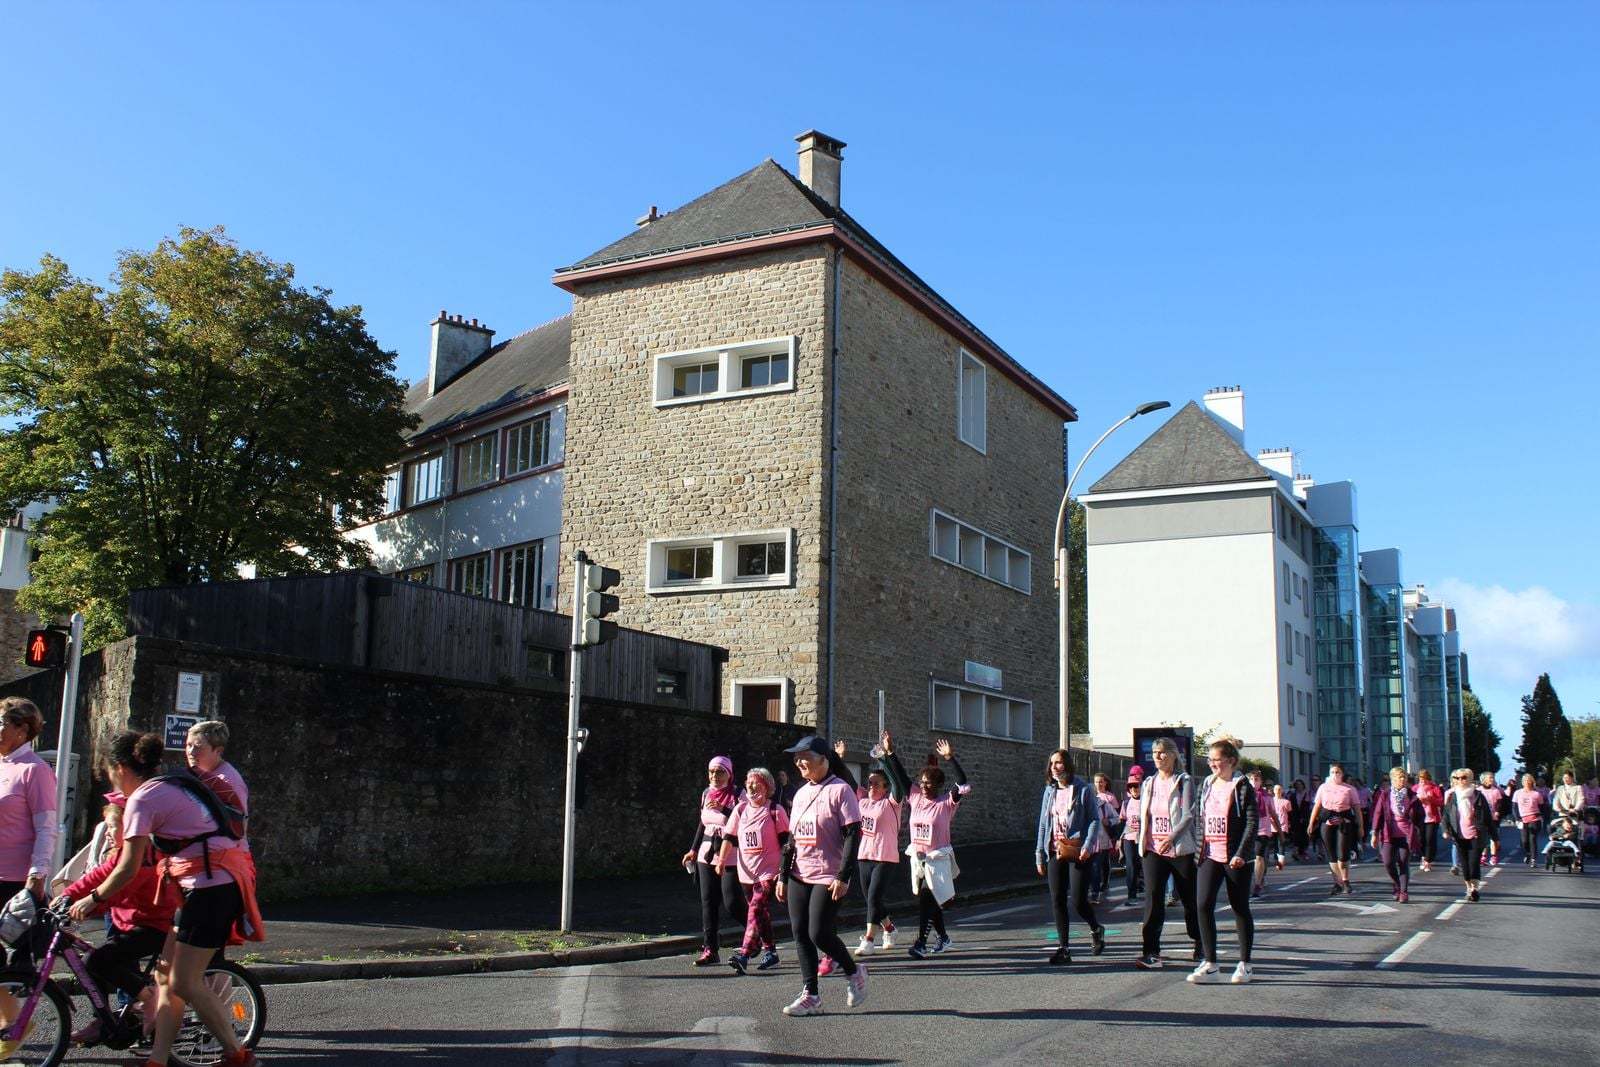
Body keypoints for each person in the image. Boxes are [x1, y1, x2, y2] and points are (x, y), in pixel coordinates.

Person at [71, 731, 260, 1067]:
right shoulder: (167, 784)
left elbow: (127, 867)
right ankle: (158, 1059)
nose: (112, 783)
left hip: (211, 887)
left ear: (119, 768)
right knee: (165, 979)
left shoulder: (142, 799)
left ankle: (238, 1055)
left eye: (110, 774)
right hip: (205, 884)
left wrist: (92, 898)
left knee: (184, 982)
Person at [54, 790, 183, 1043]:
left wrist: (88, 907)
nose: (108, 833)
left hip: (155, 926)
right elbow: (96, 877)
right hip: (130, 923)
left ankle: (148, 999)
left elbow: (118, 892)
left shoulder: (144, 857)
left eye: (113, 827)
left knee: (96, 961)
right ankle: (105, 1021)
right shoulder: (121, 853)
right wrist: (65, 897)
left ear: (131, 827)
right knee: (93, 964)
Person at [777, 736, 866, 1016]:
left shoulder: (841, 790)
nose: (799, 762)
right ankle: (811, 995)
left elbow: (853, 834)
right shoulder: (801, 793)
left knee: (819, 933)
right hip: (799, 873)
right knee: (800, 933)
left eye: (805, 757)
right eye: (796, 758)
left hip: (828, 873)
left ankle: (854, 971)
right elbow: (792, 839)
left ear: (823, 759)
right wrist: (782, 875)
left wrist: (843, 875)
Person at [0, 697, 58, 1058]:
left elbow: (47, 827)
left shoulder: (35, 770)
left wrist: (37, 874)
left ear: (22, 730)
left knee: (12, 963)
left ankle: (14, 1022)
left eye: (1, 724)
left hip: (14, 880)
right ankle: (13, 1020)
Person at [1189, 738, 1257, 984]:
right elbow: (1198, 816)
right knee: (1202, 904)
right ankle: (1211, 964)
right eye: (1210, 760)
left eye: (1217, 760)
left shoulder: (1242, 786)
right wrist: (1198, 846)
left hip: (1235, 856)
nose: (1212, 764)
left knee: (1239, 907)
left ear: (1231, 761)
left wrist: (1241, 853)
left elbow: (1251, 822)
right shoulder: (1206, 784)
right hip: (1209, 853)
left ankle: (1245, 964)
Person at [1135, 737, 1201, 971]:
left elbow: (1189, 814)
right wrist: (1141, 840)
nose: (1158, 756)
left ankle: (1200, 941)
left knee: (1189, 899)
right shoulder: (1148, 783)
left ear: (1173, 755)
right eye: (1155, 752)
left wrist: (1171, 837)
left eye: (1162, 752)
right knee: (1153, 899)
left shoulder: (1184, 781)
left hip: (1179, 849)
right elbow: (1145, 815)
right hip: (1153, 849)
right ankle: (1151, 951)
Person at [839, 732, 907, 957]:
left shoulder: (892, 803)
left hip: (885, 858)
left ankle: (868, 939)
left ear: (885, 788)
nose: (871, 787)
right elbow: (848, 780)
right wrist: (840, 759)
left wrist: (884, 757)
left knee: (874, 897)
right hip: (864, 856)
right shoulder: (863, 800)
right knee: (871, 899)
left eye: (876, 784)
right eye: (869, 783)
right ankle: (889, 928)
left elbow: (897, 783)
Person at [716, 767, 789, 975]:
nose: (751, 786)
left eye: (756, 782)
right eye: (749, 783)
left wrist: (783, 872)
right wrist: (721, 861)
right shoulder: (740, 810)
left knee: (755, 909)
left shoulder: (775, 810)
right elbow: (729, 837)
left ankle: (745, 954)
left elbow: (787, 844)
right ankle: (771, 953)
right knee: (761, 913)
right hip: (746, 872)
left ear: (767, 787)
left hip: (769, 871)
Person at [1034, 749, 1104, 965]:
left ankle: (1096, 928)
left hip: (1077, 849)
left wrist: (1088, 844)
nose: (1055, 767)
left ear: (1067, 765)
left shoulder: (1083, 789)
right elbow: (1043, 824)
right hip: (1055, 849)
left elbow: (1094, 819)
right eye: (1052, 763)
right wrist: (1039, 854)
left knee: (1078, 900)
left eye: (1059, 763)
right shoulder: (1050, 791)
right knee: (1057, 899)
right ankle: (1064, 948)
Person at [680, 755, 746, 966]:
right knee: (708, 902)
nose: (715, 775)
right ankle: (710, 949)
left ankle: (758, 934)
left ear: (729, 774)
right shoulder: (706, 793)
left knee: (732, 903)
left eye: (720, 772)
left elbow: (746, 820)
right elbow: (703, 823)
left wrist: (723, 808)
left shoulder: (738, 794)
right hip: (706, 853)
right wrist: (693, 849)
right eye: (711, 771)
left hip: (730, 853)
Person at [906, 738, 968, 959]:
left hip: (938, 861)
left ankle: (921, 943)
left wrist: (949, 757)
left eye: (928, 783)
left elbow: (962, 781)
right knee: (932, 900)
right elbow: (900, 777)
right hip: (919, 860)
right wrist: (889, 754)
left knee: (927, 899)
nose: (923, 786)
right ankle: (944, 938)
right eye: (921, 782)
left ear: (938, 785)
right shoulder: (915, 798)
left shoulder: (946, 803)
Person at [1308, 764, 1364, 895]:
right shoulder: (1323, 787)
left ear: (1342, 774)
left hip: (1344, 821)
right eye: (1332, 772)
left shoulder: (1349, 789)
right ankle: (1337, 883)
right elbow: (1317, 806)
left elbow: (1357, 809)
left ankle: (1345, 880)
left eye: (1337, 772)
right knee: (1331, 854)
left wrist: (1360, 826)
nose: (1335, 774)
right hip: (1327, 821)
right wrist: (1311, 823)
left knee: (1342, 854)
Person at [1369, 767, 1423, 902]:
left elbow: (1420, 814)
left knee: (1403, 862)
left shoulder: (1412, 795)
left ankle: (1404, 892)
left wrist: (1417, 828)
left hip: (1406, 834)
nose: (1402, 779)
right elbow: (1378, 814)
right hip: (1389, 833)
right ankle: (1397, 884)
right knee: (1387, 862)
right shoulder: (1385, 795)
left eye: (1404, 777)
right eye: (1399, 777)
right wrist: (1374, 833)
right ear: (1393, 779)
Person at [1441, 767, 1493, 901]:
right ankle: (1469, 887)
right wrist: (1445, 830)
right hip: (1459, 835)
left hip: (1476, 834)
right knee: (1464, 864)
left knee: (1474, 862)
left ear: (1470, 779)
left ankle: (1474, 888)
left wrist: (1495, 837)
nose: (1460, 780)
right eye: (1457, 778)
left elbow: (1487, 817)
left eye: (1463, 778)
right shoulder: (1452, 796)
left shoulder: (1477, 795)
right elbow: (1446, 815)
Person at [1090, 773, 1119, 905]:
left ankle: (1095, 892)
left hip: (1102, 839)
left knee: (1098, 865)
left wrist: (1109, 822)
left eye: (1101, 781)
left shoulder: (1105, 803)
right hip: (1087, 842)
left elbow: (1117, 817)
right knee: (1092, 867)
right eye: (1096, 782)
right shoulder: (1083, 805)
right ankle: (1092, 889)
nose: (1098, 784)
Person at [1248, 770, 1276, 896]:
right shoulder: (1245, 795)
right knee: (1249, 858)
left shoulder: (1267, 797)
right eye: (1252, 779)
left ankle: (1257, 884)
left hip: (1262, 830)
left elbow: (1273, 814)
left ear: (1261, 781)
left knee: (1259, 856)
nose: (1254, 782)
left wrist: (1280, 832)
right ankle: (1253, 879)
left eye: (1257, 779)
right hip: (1248, 830)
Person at [1120, 768, 1146, 904]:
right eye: (1131, 787)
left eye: (1137, 786)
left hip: (1143, 838)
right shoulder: (1126, 803)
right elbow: (1122, 821)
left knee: (1144, 865)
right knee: (1130, 865)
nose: (1134, 789)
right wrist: (1118, 839)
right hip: (1129, 838)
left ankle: (1149, 891)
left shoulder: (1147, 801)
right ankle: (1131, 894)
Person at [1414, 769, 1444, 873]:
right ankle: (1423, 857)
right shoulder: (1415, 788)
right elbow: (1410, 800)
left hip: (1432, 818)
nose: (1422, 781)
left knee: (1430, 839)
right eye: (1420, 779)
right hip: (1420, 817)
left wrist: (1431, 799)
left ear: (1428, 779)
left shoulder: (1434, 788)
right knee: (1421, 839)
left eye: (1424, 779)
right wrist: (1418, 800)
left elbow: (1441, 801)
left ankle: (1428, 860)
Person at [1513, 773, 1544, 866]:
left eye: (1528, 780)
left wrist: (1540, 815)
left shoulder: (1536, 794)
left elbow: (1542, 807)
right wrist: (1517, 818)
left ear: (1532, 782)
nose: (1527, 782)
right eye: (1525, 781)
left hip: (1534, 819)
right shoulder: (1517, 793)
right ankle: (1528, 853)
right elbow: (1514, 807)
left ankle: (1533, 859)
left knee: (1532, 838)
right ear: (1522, 782)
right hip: (1522, 819)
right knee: (1524, 841)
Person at [1478, 773, 1504, 866]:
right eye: (1490, 778)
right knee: (1483, 838)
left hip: (1493, 817)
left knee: (1493, 837)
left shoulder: (1496, 791)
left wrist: (1497, 811)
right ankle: (1483, 856)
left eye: (1493, 778)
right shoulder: (1479, 790)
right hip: (1482, 817)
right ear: (1484, 779)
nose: (1492, 779)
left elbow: (1500, 803)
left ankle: (1493, 856)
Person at [1271, 784, 1294, 872]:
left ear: (1282, 791)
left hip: (1283, 825)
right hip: (1272, 825)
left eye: (1280, 789)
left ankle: (1280, 861)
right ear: (1274, 791)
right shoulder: (1271, 801)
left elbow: (1290, 813)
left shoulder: (1286, 802)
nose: (1278, 791)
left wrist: (1289, 824)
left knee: (1281, 843)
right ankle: (1277, 859)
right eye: (1276, 789)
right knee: (1275, 844)